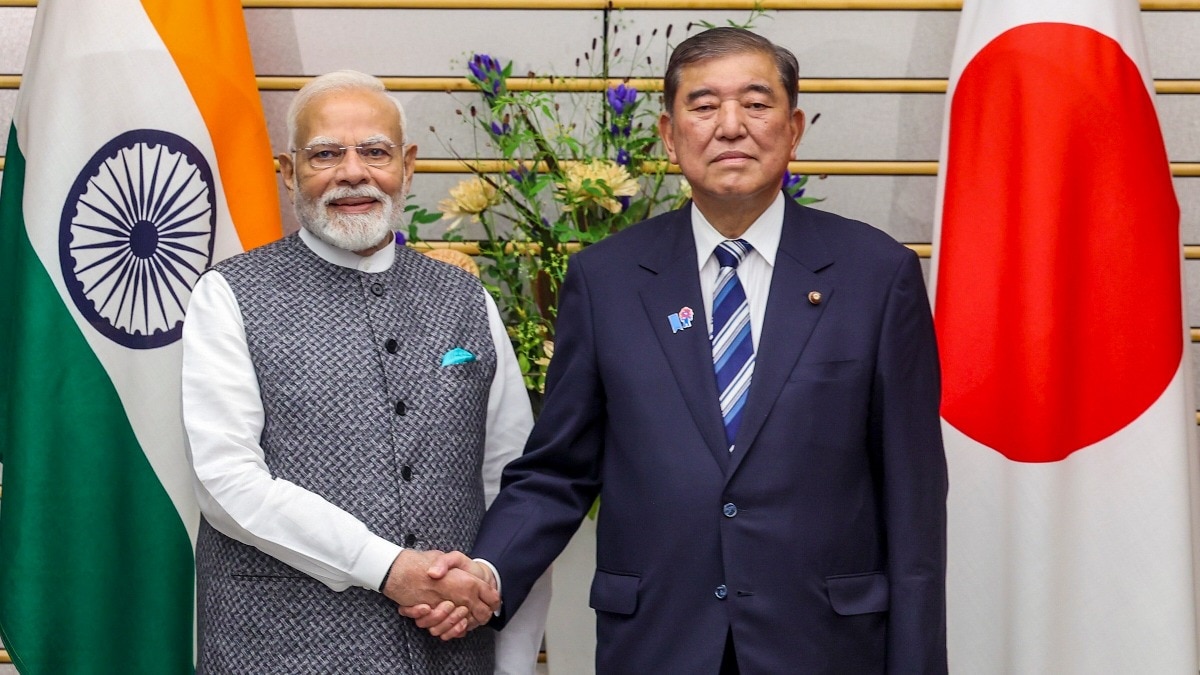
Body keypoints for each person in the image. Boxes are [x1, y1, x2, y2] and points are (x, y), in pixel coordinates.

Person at [406, 27, 947, 673]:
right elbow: (559, 468)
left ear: (795, 126)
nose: (731, 126)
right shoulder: (607, 279)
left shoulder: (875, 275)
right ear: (668, 133)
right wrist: (487, 572)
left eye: (755, 103)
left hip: (824, 644)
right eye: (704, 105)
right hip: (659, 642)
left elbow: (912, 498)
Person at [181, 69, 549, 674]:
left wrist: (491, 606)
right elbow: (227, 481)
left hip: (450, 653)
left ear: (407, 167)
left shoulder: (463, 299)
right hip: (278, 652)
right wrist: (388, 569)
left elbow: (510, 480)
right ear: (288, 172)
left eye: (374, 152)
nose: (353, 172)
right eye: (325, 154)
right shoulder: (229, 294)